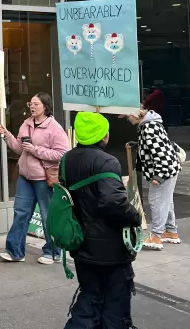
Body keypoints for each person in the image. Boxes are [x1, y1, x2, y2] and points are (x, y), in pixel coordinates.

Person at [62, 112, 141, 329]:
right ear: (102, 136)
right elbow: (113, 203)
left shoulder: (67, 159)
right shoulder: (107, 161)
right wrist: (135, 216)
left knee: (90, 297)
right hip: (110, 248)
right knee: (115, 303)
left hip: (81, 243)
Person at [0, 92, 69, 264]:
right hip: (25, 177)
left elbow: (62, 153)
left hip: (43, 178)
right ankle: (15, 251)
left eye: (36, 104)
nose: (32, 106)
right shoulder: (26, 124)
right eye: (30, 103)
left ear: (45, 106)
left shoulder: (55, 128)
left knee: (47, 216)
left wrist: (36, 150)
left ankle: (53, 252)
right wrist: (7, 136)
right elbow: (19, 148)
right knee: (20, 213)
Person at [125, 109, 181, 251]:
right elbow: (158, 147)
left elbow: (161, 153)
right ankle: (170, 231)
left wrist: (159, 175)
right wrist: (139, 145)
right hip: (170, 168)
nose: (128, 120)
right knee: (166, 200)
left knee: (157, 200)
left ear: (135, 114)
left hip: (164, 170)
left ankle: (156, 236)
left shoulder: (148, 128)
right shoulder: (151, 123)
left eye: (127, 116)